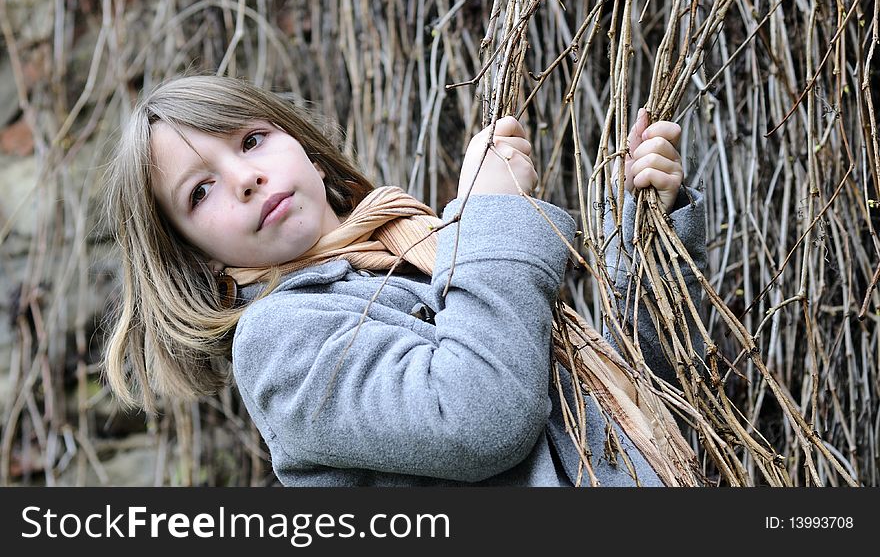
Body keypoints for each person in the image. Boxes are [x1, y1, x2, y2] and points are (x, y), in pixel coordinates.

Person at [102, 74, 707, 487]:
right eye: (200, 191)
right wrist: (487, 215)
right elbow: (480, 419)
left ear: (306, 151)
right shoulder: (278, 342)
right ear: (197, 257)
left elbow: (628, 403)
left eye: (252, 141)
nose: (245, 178)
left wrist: (650, 235)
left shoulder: (418, 251)